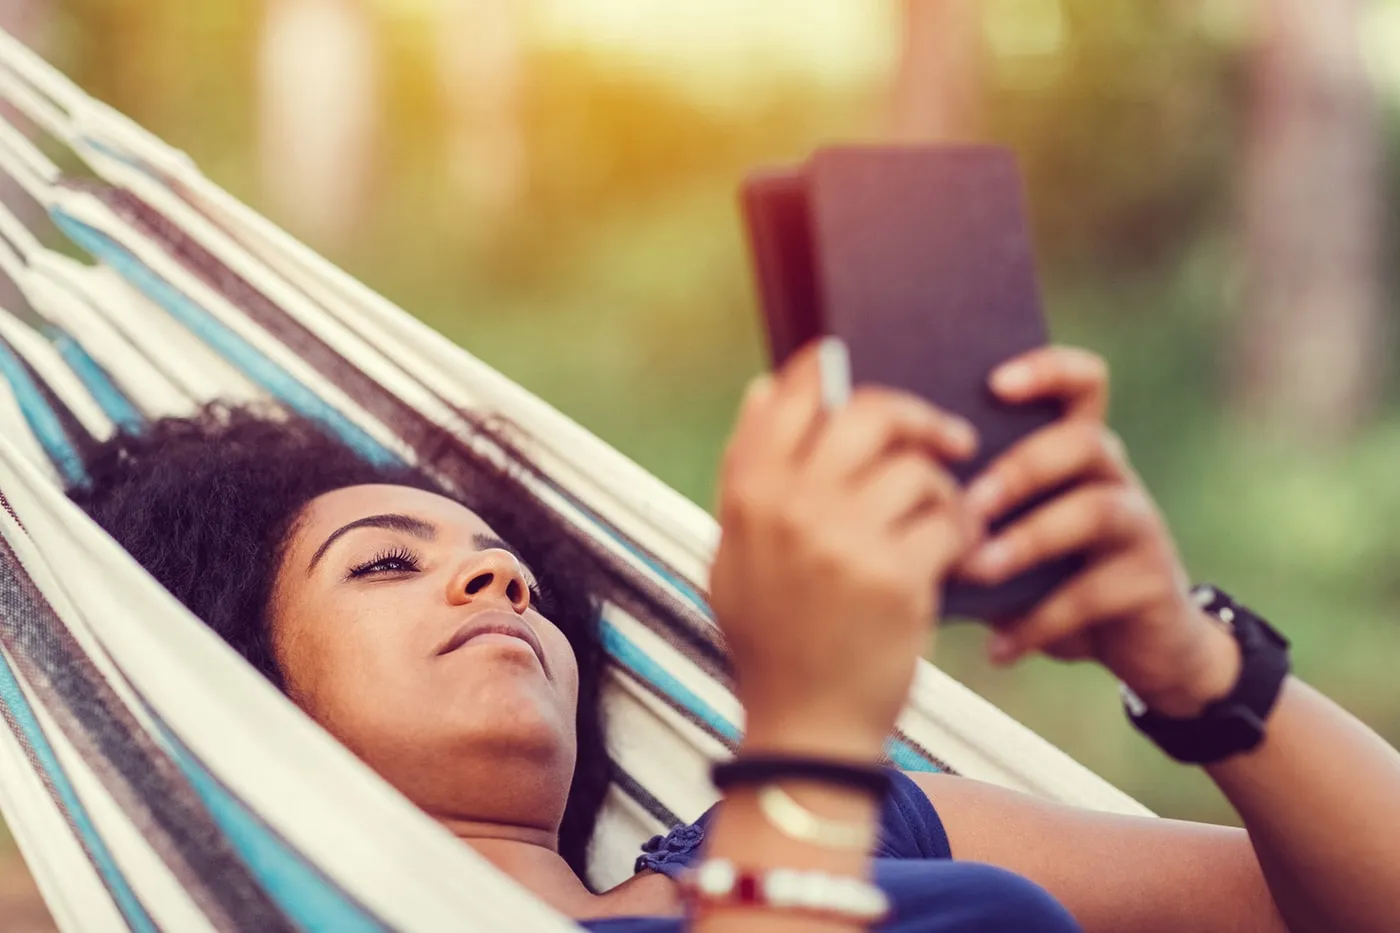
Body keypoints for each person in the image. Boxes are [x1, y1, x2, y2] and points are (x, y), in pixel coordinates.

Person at [72, 342, 1400, 933]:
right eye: (382, 565)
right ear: (226, 679)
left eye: (505, 569)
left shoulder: (854, 820)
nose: (498, 589)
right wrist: (808, 735)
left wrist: (1191, 663)